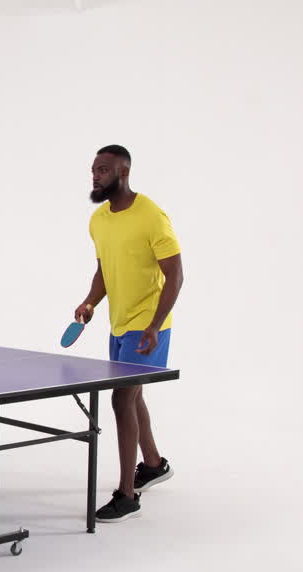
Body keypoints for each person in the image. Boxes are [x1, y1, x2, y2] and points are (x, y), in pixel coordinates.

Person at [75, 145, 184, 522]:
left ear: (123, 172)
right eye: (93, 170)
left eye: (103, 170)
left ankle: (127, 493)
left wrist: (155, 324)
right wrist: (90, 302)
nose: (95, 176)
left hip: (148, 325)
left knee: (122, 399)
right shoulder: (99, 221)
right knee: (132, 397)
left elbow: (175, 275)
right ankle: (152, 464)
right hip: (119, 324)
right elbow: (105, 270)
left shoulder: (151, 216)